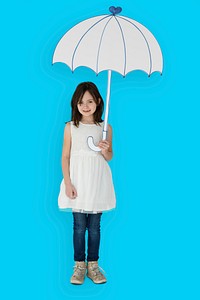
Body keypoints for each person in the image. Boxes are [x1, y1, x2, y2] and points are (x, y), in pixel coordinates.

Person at [58, 82, 116, 285]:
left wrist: (105, 148)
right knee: (78, 225)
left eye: (90, 101)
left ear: (98, 102)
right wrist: (68, 183)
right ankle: (79, 266)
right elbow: (65, 157)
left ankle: (93, 265)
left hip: (97, 182)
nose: (85, 105)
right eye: (81, 102)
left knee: (95, 226)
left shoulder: (105, 127)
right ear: (76, 103)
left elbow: (108, 157)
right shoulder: (71, 127)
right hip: (78, 182)